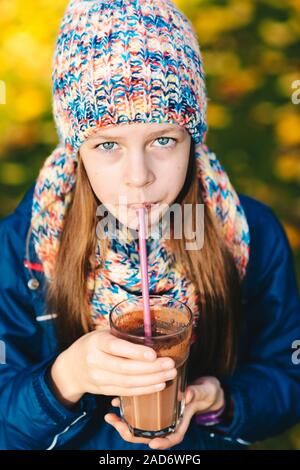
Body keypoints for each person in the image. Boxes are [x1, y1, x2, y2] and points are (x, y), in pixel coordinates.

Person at [0, 0, 299, 451]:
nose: (138, 176)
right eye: (107, 145)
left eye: (163, 139)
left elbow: (288, 375)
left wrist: (223, 402)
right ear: (75, 148)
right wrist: (66, 378)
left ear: (192, 138)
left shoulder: (249, 233)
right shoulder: (22, 247)